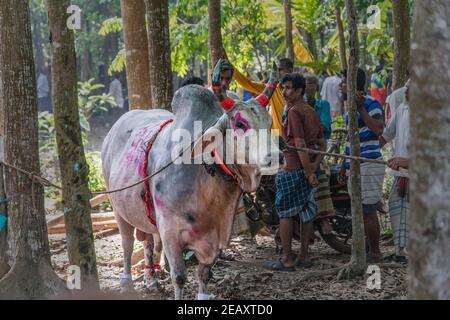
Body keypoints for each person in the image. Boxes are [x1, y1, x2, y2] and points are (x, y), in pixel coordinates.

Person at [265, 73, 325, 271]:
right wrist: (313, 168)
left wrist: (309, 172)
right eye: (283, 87)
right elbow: (321, 145)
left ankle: (287, 258)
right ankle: (304, 256)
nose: (284, 91)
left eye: (289, 88)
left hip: (292, 169)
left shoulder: (293, 112)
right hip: (306, 170)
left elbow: (299, 144)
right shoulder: (311, 111)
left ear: (299, 91)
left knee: (284, 213)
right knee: (306, 211)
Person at [339, 68, 385, 263]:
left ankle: (375, 253)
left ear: (351, 83)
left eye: (343, 81)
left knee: (368, 209)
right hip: (355, 165)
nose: (341, 85)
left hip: (369, 164)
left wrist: (361, 109)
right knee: (359, 209)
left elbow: (378, 129)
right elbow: (351, 138)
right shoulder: (349, 107)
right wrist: (344, 163)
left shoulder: (372, 104)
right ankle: (365, 250)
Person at [380, 79, 411, 263]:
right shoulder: (402, 110)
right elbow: (386, 135)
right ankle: (400, 252)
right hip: (401, 175)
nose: (406, 91)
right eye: (406, 88)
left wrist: (407, 161)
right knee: (397, 209)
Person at [305, 74, 335, 234]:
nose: (308, 86)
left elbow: (325, 126)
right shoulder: (292, 106)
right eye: (305, 83)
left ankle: (324, 218)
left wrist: (306, 126)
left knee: (319, 171)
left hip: (319, 148)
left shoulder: (323, 105)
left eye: (311, 83)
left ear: (317, 87)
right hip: (301, 148)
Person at [232, 57, 294, 131]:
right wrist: (232, 69)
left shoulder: (298, 90)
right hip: (276, 137)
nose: (277, 73)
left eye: (280, 70)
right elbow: (247, 84)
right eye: (276, 70)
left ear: (290, 71)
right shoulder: (272, 89)